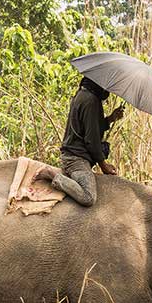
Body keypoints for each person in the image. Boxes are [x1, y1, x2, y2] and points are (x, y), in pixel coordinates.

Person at [39, 77, 125, 207]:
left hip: (71, 155)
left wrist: (111, 118)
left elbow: (89, 127)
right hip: (76, 159)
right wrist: (103, 165)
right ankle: (54, 175)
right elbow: (91, 140)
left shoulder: (83, 95)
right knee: (88, 197)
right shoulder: (91, 101)